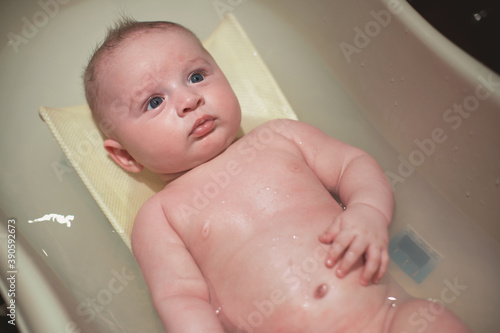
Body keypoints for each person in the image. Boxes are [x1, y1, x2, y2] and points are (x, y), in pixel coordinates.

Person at [83, 18, 472, 333]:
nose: (189, 100)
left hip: (389, 317)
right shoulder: (160, 216)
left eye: (197, 76)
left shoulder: (280, 135)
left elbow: (353, 164)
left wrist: (368, 211)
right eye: (154, 101)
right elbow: (180, 298)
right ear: (125, 157)